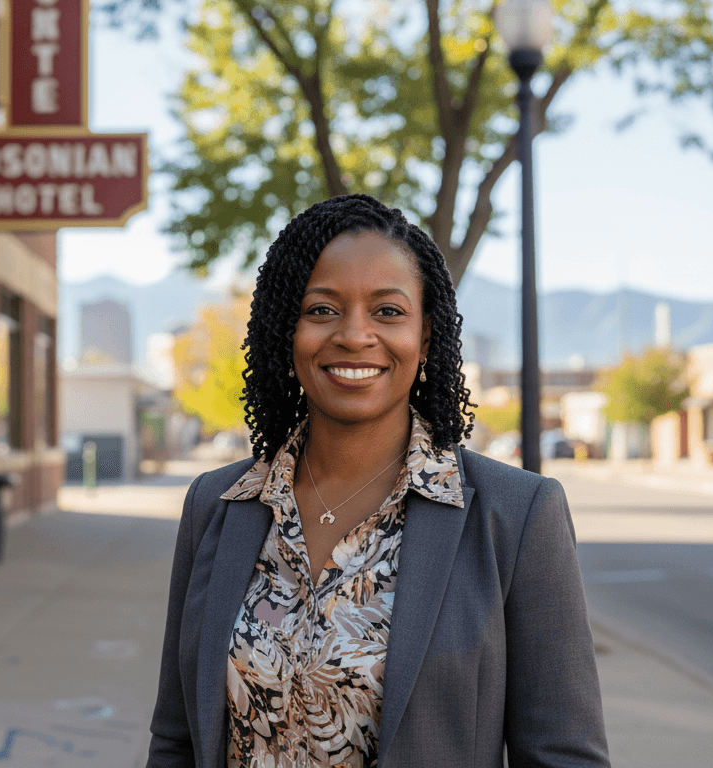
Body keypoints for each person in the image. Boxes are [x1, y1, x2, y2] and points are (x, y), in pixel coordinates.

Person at [147, 195, 609, 768]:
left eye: (388, 311)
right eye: (321, 309)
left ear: (427, 335)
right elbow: (177, 739)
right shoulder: (217, 506)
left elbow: (564, 756)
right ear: (286, 329)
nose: (354, 335)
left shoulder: (516, 515)